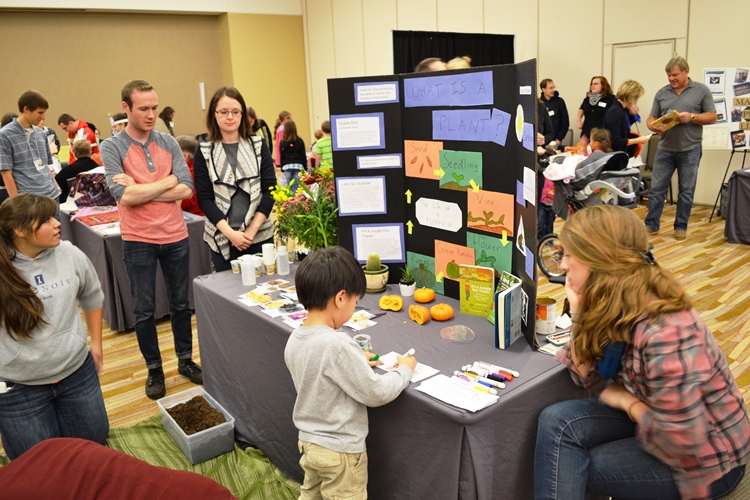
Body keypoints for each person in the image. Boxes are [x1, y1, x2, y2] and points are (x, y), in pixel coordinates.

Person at [533, 205, 750, 500]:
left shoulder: (665, 332)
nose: (562, 266)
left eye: (570, 255)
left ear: (601, 262)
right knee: (557, 420)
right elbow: (590, 380)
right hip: (652, 413)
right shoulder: (613, 299)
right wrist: (579, 314)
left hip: (706, 461)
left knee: (573, 464)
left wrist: (630, 404)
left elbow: (683, 442)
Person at [284, 246, 417, 500]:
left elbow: (320, 371)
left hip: (310, 445)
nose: (354, 307)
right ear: (341, 298)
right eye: (355, 302)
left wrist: (355, 359)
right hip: (341, 454)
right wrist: (404, 370)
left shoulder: (296, 338)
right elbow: (375, 393)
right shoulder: (338, 345)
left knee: (310, 495)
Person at [101, 79, 202, 400]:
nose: (151, 114)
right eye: (143, 108)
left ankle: (185, 361)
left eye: (155, 108)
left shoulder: (168, 142)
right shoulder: (111, 146)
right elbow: (123, 195)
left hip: (176, 236)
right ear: (126, 108)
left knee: (181, 304)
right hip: (138, 240)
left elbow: (186, 189)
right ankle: (155, 369)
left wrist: (141, 185)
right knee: (143, 310)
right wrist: (165, 182)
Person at [0, 194, 109, 460]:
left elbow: (92, 293)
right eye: (46, 220)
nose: (57, 223)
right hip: (19, 389)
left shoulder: (69, 253)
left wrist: (95, 342)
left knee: (92, 452)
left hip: (77, 375)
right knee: (38, 468)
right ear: (21, 230)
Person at [194, 86, 276, 272]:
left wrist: (250, 232)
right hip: (223, 238)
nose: (230, 117)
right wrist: (232, 235)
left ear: (242, 114)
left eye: (235, 112)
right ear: (214, 114)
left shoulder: (258, 145)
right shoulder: (204, 150)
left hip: (260, 236)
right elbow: (205, 199)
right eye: (223, 112)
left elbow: (270, 191)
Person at [645, 56, 717, 240]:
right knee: (657, 189)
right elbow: (650, 118)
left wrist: (692, 117)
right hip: (665, 149)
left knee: (686, 190)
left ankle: (680, 227)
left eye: (675, 75)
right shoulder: (662, 93)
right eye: (668, 75)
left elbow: (712, 117)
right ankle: (651, 225)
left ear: (686, 71)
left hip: (690, 149)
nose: (671, 79)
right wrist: (654, 127)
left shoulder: (701, 91)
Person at [0, 91, 61, 209]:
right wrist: (17, 204)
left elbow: (46, 166)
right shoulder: (4, 135)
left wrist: (56, 186)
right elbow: (6, 173)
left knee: (57, 228)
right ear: (26, 109)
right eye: (40, 112)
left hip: (52, 197)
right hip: (29, 202)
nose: (43, 117)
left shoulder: (41, 133)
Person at [602, 80, 651, 156]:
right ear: (631, 97)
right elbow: (616, 141)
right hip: (612, 156)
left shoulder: (622, 110)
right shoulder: (615, 112)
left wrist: (632, 114)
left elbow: (623, 128)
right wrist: (638, 140)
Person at [55, 139, 99, 203]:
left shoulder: (65, 172)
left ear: (74, 152)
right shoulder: (99, 169)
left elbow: (57, 187)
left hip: (72, 204)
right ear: (90, 151)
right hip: (96, 201)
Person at [576, 76, 616, 144]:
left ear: (603, 85)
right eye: (592, 84)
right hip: (586, 135)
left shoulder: (610, 99)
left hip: (601, 137)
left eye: (596, 84)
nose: (593, 86)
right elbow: (582, 108)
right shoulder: (587, 99)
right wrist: (578, 120)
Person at [537, 99, 555, 241]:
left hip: (538, 164)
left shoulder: (540, 108)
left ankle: (541, 239)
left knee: (540, 206)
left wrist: (544, 140)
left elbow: (550, 134)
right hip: (519, 162)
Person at [176, 135, 204, 217]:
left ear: (185, 156)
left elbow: (182, 204)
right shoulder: (199, 167)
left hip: (195, 219)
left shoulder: (191, 173)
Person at [279, 118, 306, 191]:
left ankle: (287, 201)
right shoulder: (299, 141)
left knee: (287, 186)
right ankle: (294, 201)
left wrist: (282, 167)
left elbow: (282, 156)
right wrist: (305, 168)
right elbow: (303, 155)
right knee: (295, 187)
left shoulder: (283, 142)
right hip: (298, 166)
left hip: (287, 166)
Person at [539, 79, 570, 144]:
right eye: (550, 88)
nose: (553, 90)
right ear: (543, 89)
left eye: (554, 87)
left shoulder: (560, 102)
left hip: (556, 141)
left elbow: (565, 122)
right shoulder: (539, 103)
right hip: (542, 141)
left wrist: (559, 138)